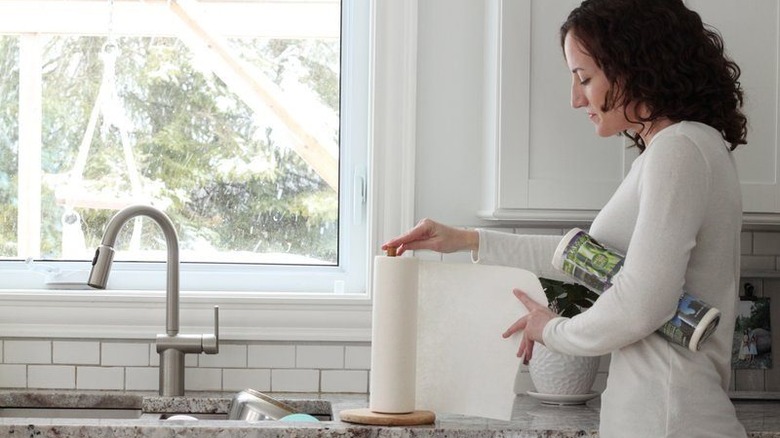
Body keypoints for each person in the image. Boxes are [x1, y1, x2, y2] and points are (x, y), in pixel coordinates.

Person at [383, 0, 748, 436]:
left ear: (633, 66)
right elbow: (590, 259)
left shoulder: (679, 151)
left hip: (670, 420)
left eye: (584, 78)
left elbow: (642, 304)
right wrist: (466, 240)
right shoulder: (682, 148)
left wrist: (552, 330)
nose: (576, 99)